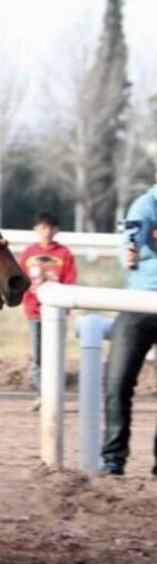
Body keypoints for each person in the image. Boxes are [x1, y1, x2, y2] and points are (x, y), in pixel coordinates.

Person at [101, 186, 157, 478]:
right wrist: (129, 254)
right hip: (139, 302)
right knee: (117, 382)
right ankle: (113, 459)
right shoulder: (145, 205)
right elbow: (130, 239)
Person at [18, 210, 77, 411]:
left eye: (51, 228)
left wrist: (66, 304)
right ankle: (42, 394)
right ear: (36, 229)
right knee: (38, 356)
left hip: (57, 312)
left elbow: (70, 281)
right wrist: (27, 301)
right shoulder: (28, 254)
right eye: (43, 227)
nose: (47, 232)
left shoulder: (64, 254)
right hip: (35, 311)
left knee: (55, 354)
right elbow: (22, 280)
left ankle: (53, 395)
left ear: (57, 230)